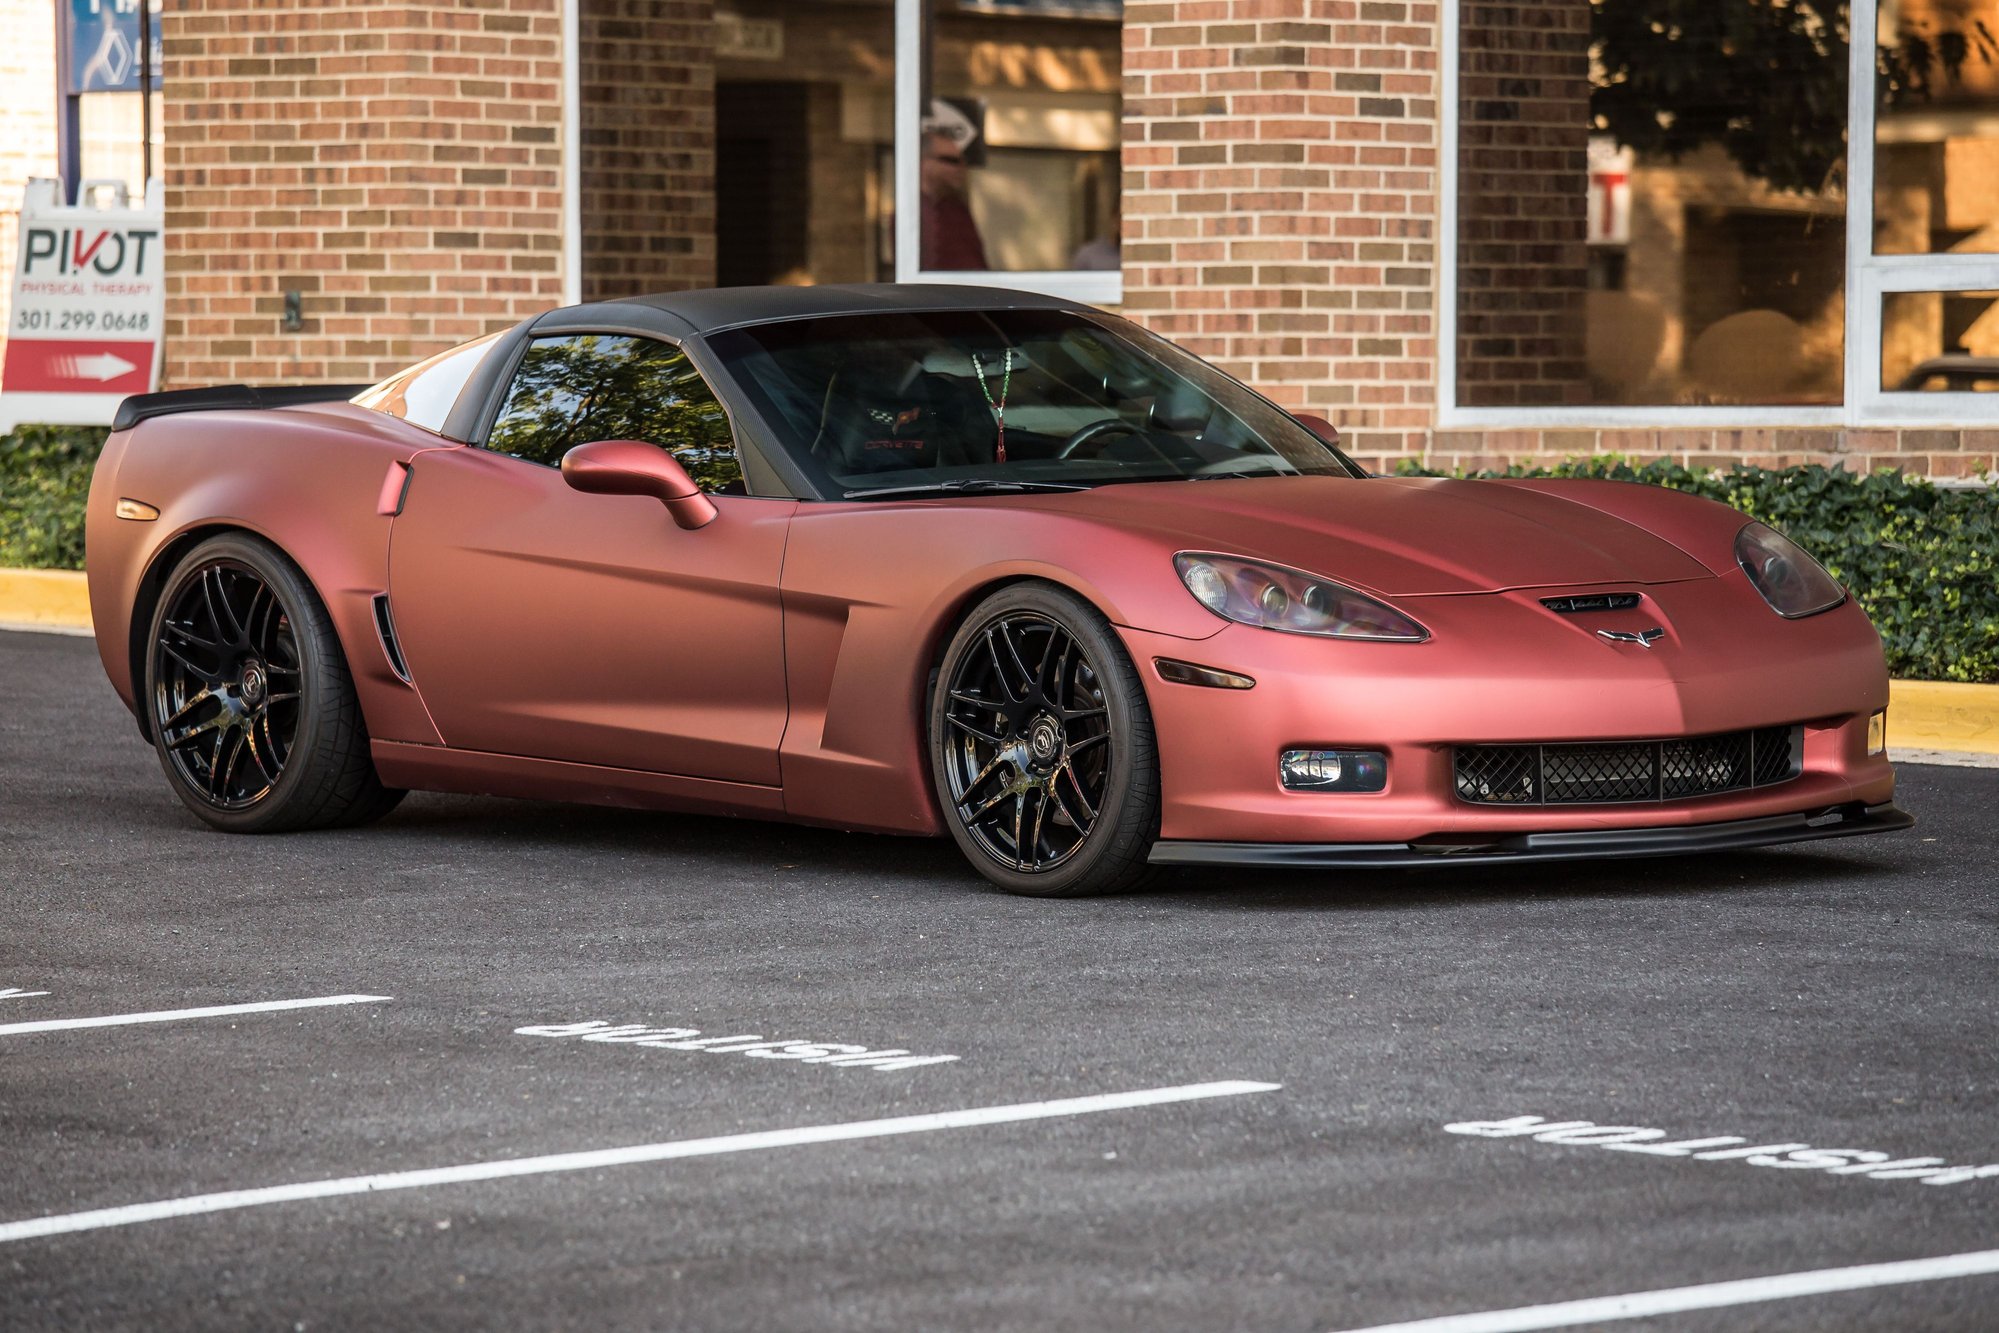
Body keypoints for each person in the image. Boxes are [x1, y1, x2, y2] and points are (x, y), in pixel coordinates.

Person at [921, 131, 988, 271]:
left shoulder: (955, 209)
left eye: (964, 161)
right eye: (951, 160)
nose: (961, 168)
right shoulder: (912, 213)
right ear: (924, 162)